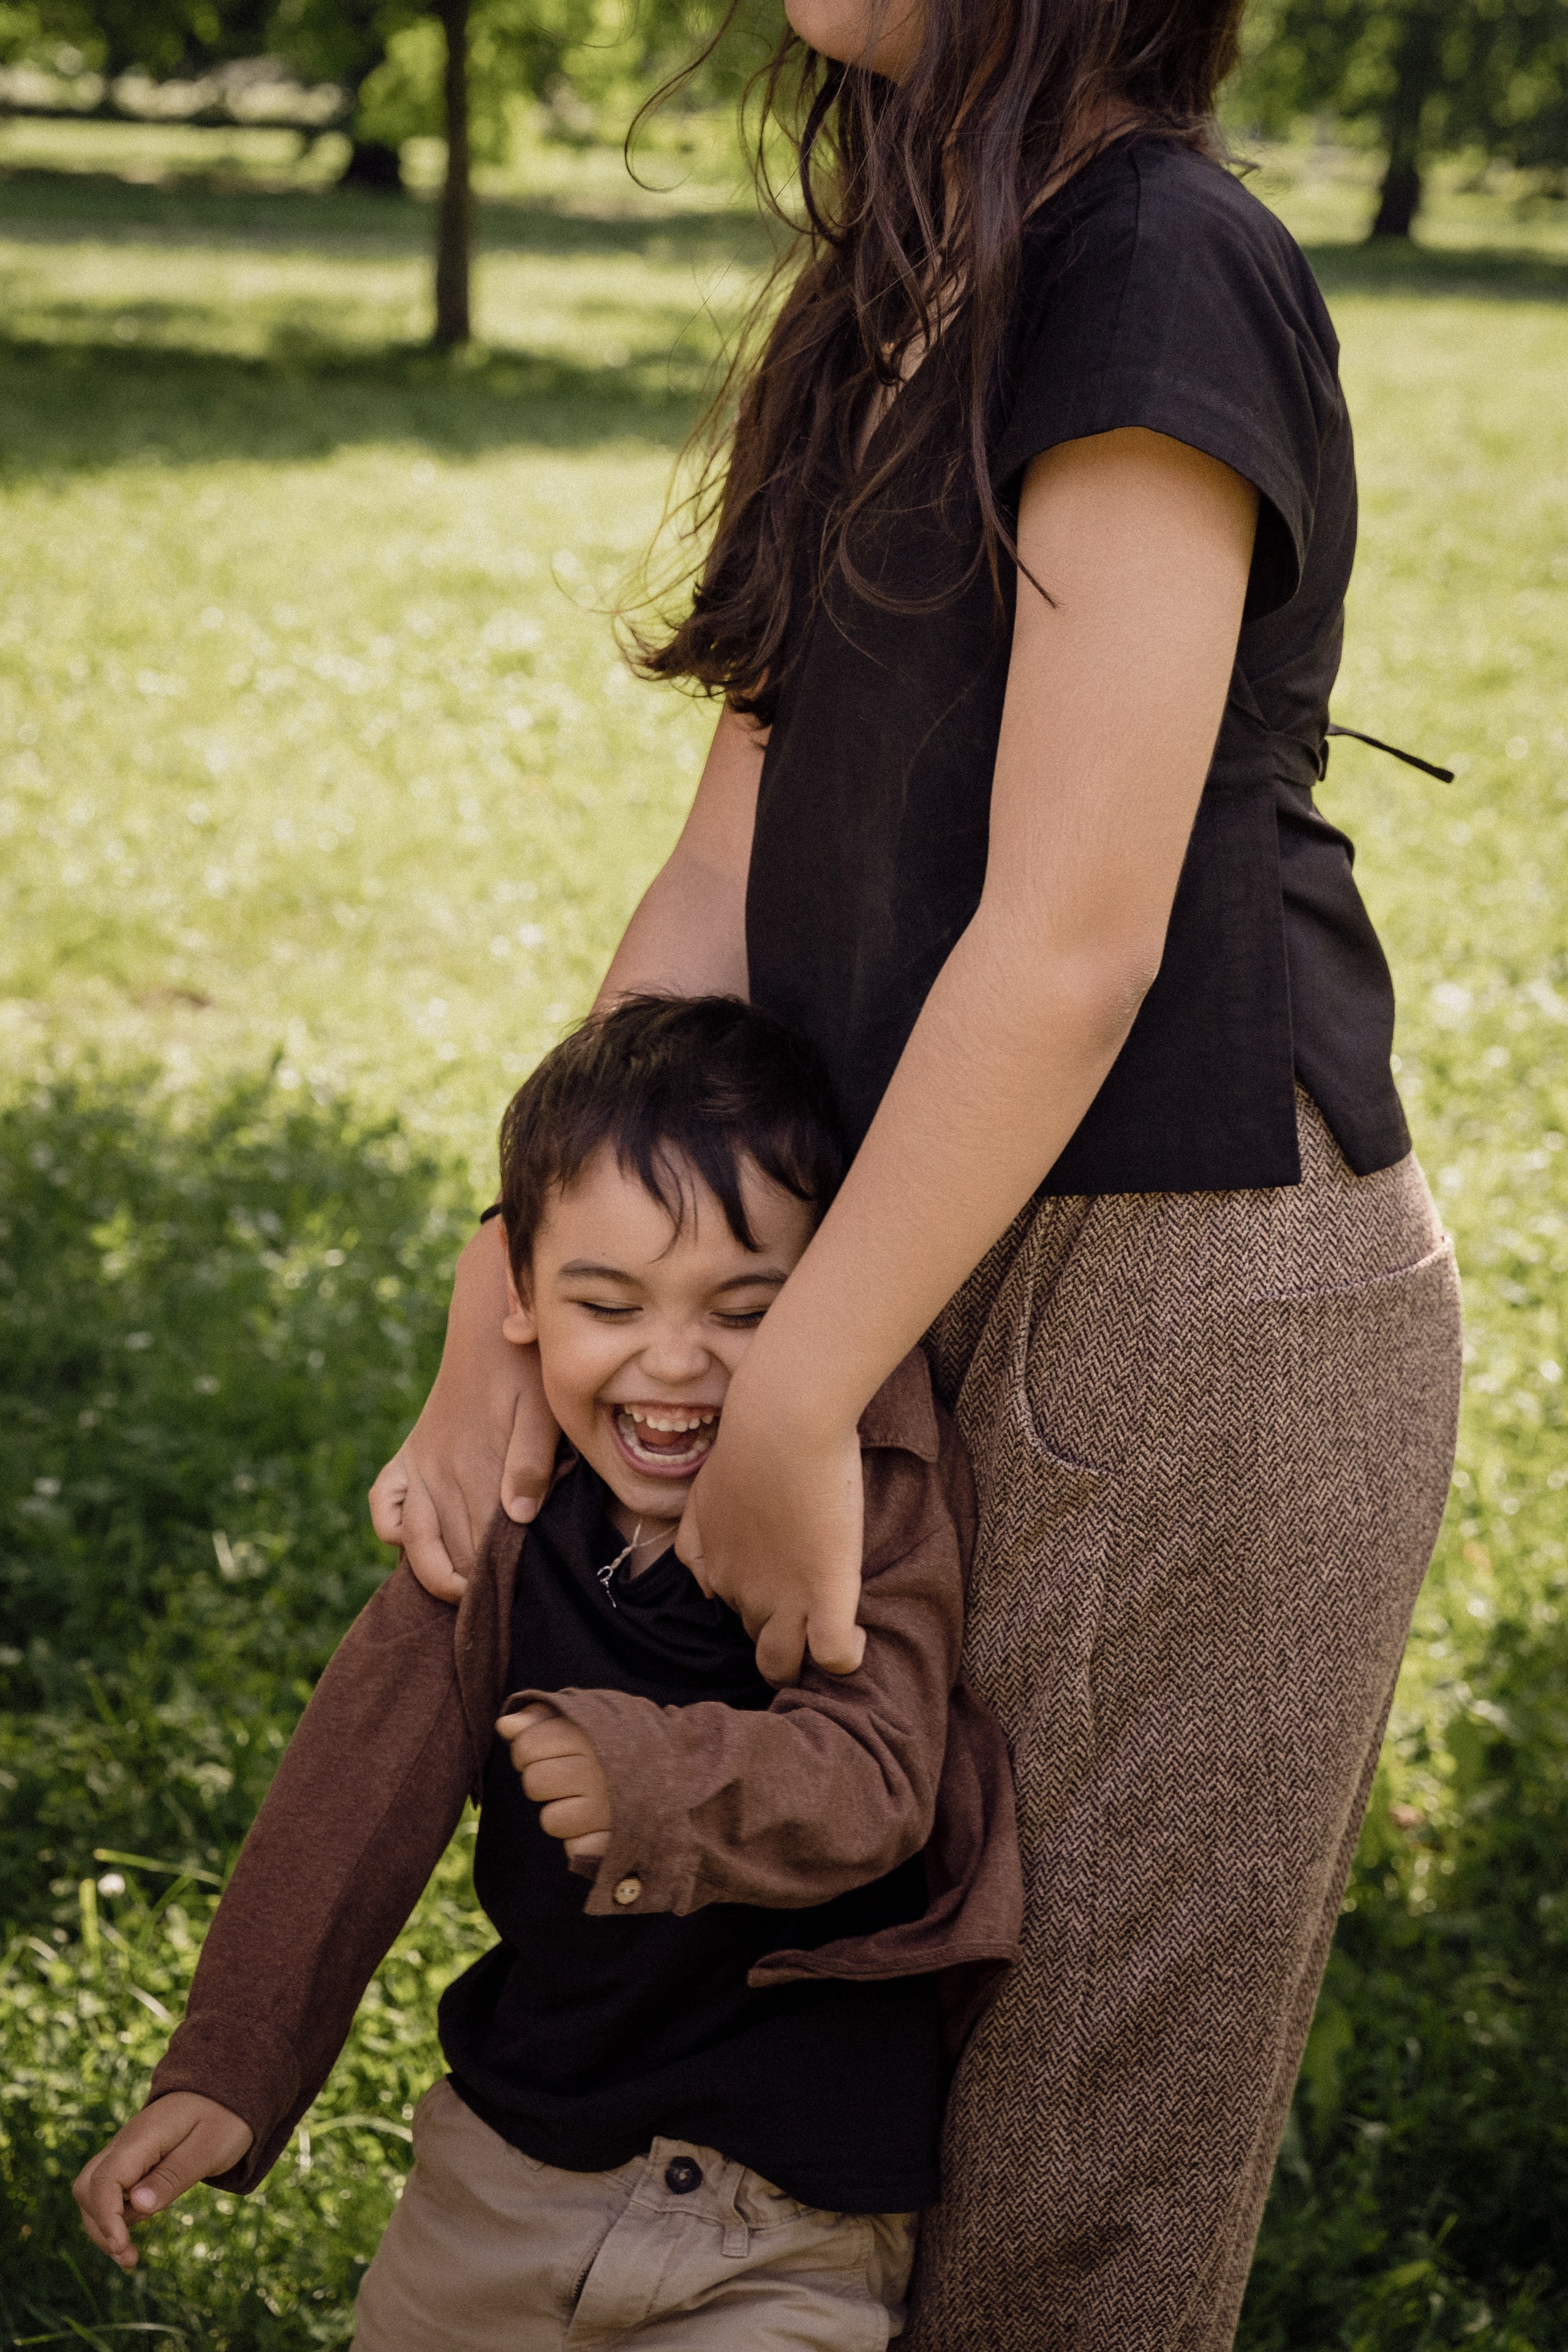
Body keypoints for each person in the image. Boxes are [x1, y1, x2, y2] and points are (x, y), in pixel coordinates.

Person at [369, 2, 1466, 2345]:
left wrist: (795, 1395)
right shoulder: (896, 278)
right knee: (853, 2125)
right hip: (898, 1251)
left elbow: (1075, 934)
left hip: (1192, 1300)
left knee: (1067, 2191)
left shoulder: (1155, 257)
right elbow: (720, 875)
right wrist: (505, 1285)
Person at [72, 995, 1022, 2350]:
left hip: (781, 2222)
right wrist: (231, 2065)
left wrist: (655, 1778)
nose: (674, 1359)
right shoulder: (509, 1517)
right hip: (503, 2182)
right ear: (516, 1295)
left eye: (748, 1310)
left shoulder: (873, 1502)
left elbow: (879, 1780)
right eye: (607, 1303)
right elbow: (354, 1794)